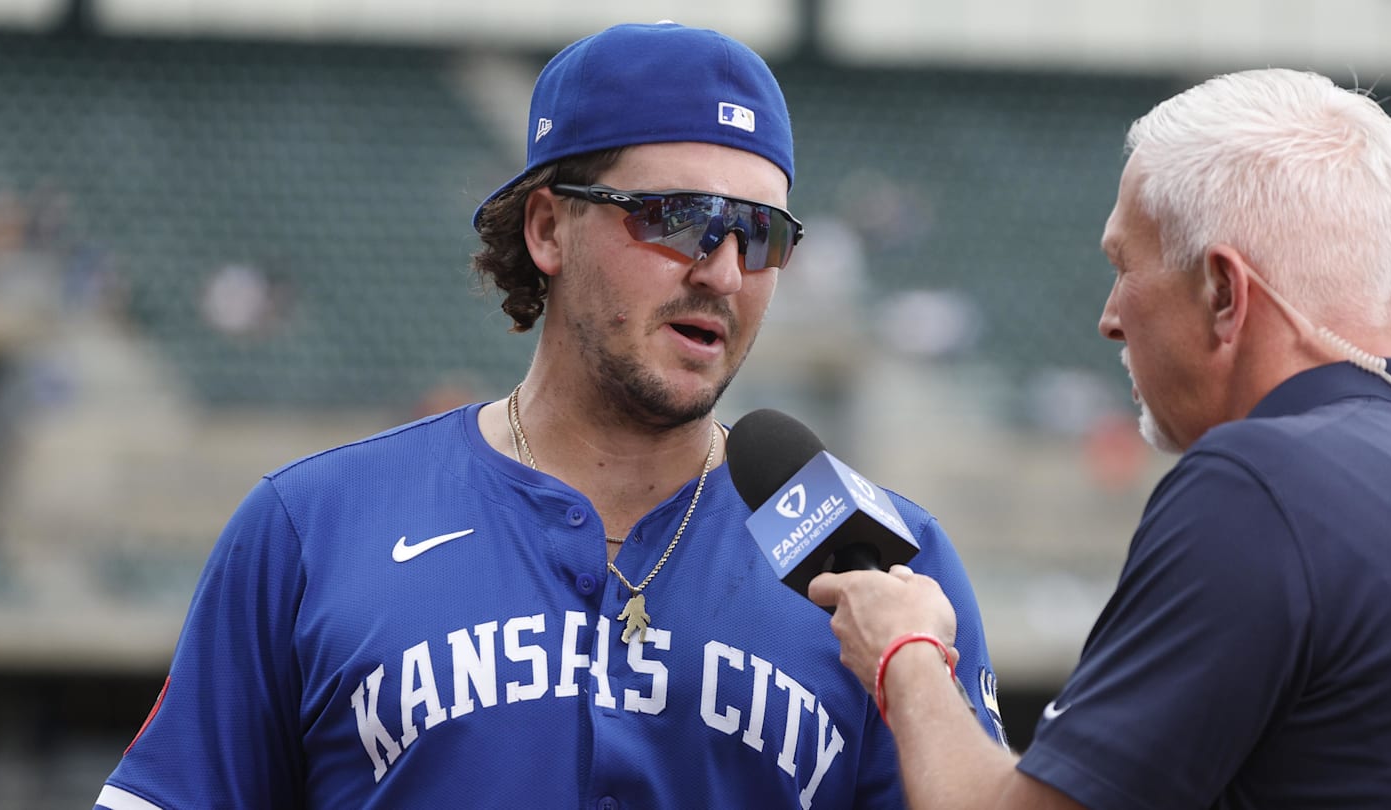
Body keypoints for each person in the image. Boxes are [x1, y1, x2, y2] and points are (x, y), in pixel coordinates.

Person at [94, 21, 1005, 810]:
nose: (723, 273)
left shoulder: (884, 561)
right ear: (545, 229)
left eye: (760, 234)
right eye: (680, 218)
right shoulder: (311, 528)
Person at [809, 67, 1391, 809]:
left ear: (1223, 291)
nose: (1110, 317)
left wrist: (904, 652)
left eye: (1123, 267)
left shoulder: (1258, 482)